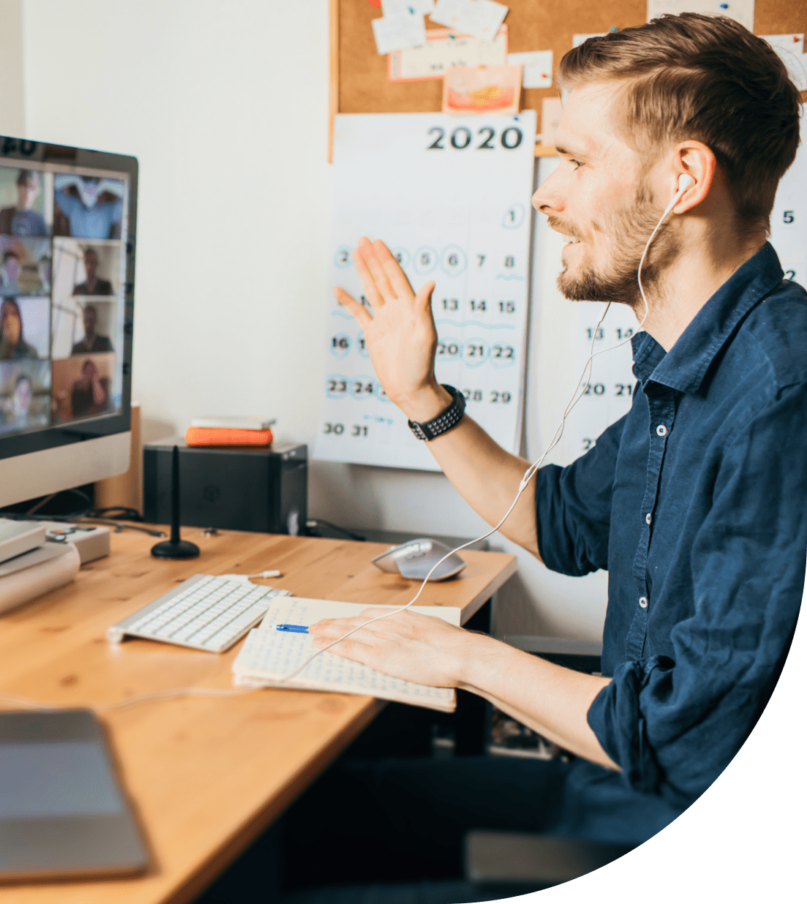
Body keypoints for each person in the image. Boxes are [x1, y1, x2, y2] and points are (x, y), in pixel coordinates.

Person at [289, 13, 807, 886]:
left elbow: (675, 738)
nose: (544, 193)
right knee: (304, 826)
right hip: (608, 795)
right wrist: (421, 397)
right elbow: (561, 523)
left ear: (684, 177)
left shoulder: (780, 394)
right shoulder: (687, 363)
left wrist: (461, 657)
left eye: (573, 160)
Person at [53, 175, 123, 239]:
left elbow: (129, 194)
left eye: (92, 189)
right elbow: (51, 186)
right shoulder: (73, 207)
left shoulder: (107, 212)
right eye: (86, 187)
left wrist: (106, 185)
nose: (89, 193)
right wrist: (76, 180)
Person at [0, 170, 47, 236]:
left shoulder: (39, 220)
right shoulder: (4, 214)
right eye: (24, 185)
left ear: (37, 191)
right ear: (18, 185)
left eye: (32, 187)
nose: (27, 192)